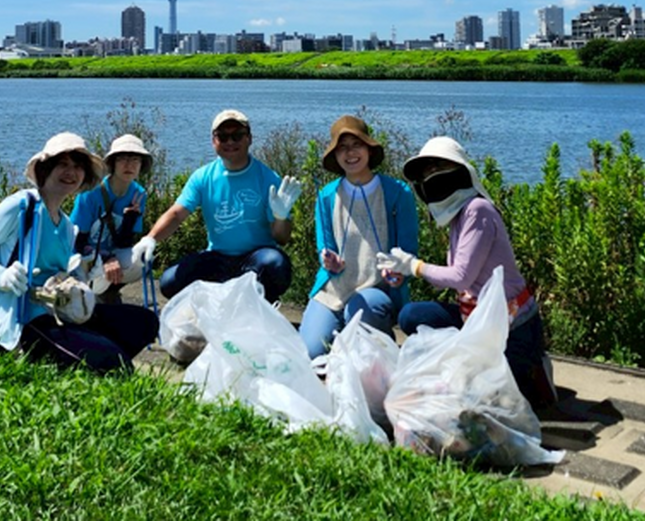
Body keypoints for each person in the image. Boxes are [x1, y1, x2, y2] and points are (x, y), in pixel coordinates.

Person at [375, 136, 557, 409]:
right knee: (411, 316)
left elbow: (460, 277)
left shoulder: (478, 210)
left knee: (492, 399)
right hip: (475, 317)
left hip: (511, 326)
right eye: (426, 172)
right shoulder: (457, 217)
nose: (431, 177)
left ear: (459, 171)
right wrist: (405, 271)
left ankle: (532, 367)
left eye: (438, 168)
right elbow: (450, 279)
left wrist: (415, 266)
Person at [0, 132, 159, 373]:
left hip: (62, 310)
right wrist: (0, 276)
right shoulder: (22, 206)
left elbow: (63, 273)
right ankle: (73, 356)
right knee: (116, 364)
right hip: (28, 315)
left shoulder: (65, 225)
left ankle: (83, 355)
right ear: (45, 170)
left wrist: (85, 272)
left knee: (145, 322)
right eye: (62, 164)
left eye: (77, 166)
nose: (71, 172)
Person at [131, 109, 302, 303]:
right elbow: (177, 214)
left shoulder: (268, 178)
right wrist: (151, 238)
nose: (230, 142)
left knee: (276, 265)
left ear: (249, 139)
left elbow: (282, 238)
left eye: (237, 136)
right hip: (217, 257)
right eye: (223, 136)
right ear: (214, 141)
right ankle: (225, 296)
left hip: (256, 258)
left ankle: (259, 303)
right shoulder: (203, 177)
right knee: (169, 281)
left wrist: (281, 217)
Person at [299, 115, 419, 359]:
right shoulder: (326, 196)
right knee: (310, 351)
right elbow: (325, 248)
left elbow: (408, 251)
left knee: (367, 311)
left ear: (368, 149)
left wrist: (397, 274)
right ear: (335, 155)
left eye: (356, 145)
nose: (350, 153)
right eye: (342, 148)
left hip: (377, 288)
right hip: (334, 288)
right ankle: (346, 330)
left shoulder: (398, 193)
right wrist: (330, 262)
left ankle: (375, 332)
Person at [71, 134, 153, 304]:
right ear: (113, 163)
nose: (129, 165)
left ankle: (109, 290)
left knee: (142, 258)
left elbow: (124, 243)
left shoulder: (139, 194)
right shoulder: (90, 193)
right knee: (99, 271)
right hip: (84, 257)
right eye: (123, 158)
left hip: (110, 254)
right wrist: (106, 258)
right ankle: (91, 294)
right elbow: (76, 241)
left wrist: (130, 219)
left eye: (135, 159)